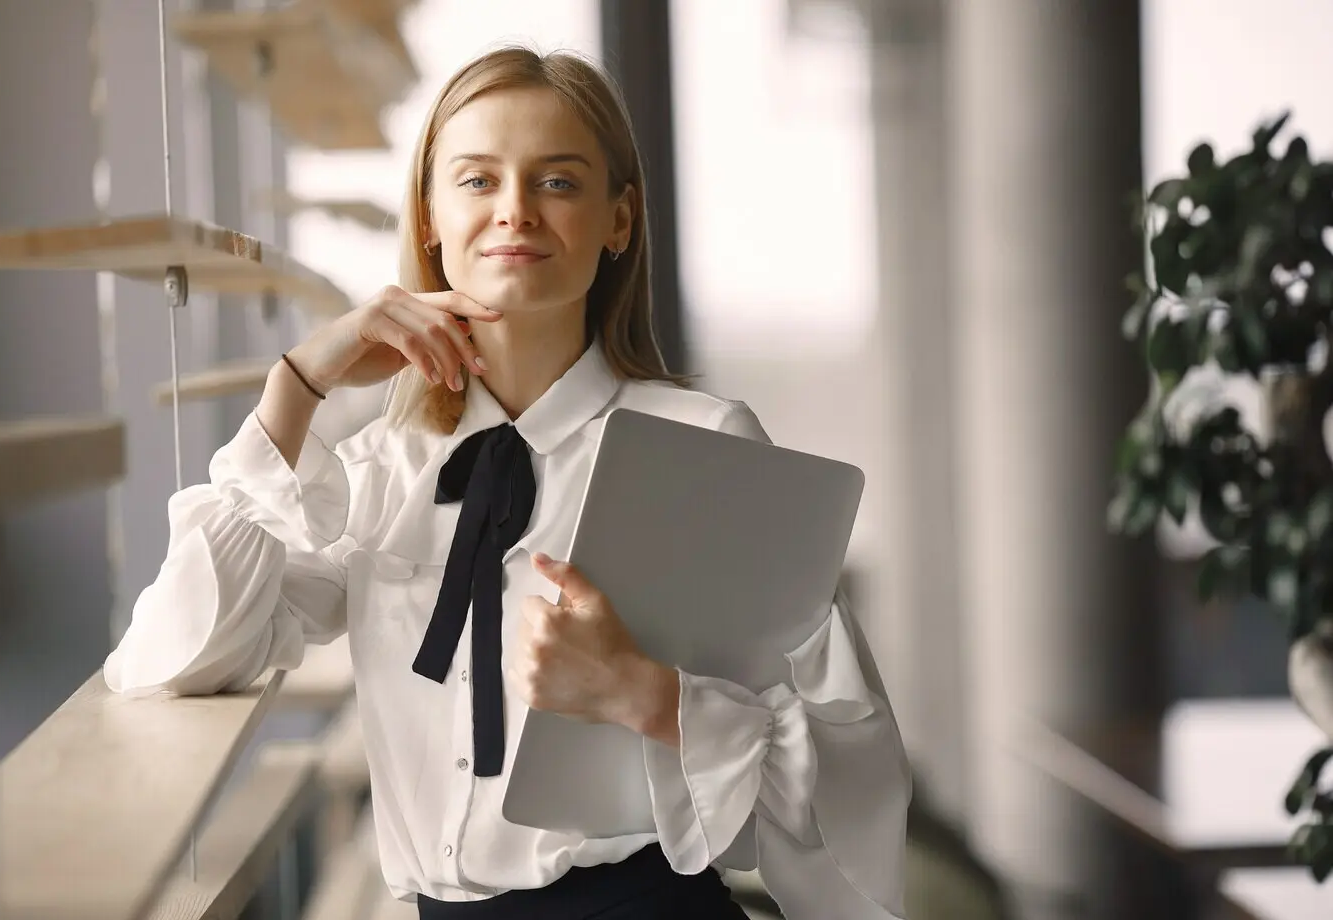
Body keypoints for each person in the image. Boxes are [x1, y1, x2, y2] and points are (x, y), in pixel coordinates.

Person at [105, 46, 910, 920]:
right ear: (430, 220)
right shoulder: (378, 472)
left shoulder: (709, 448)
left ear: (619, 221)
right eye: (478, 181)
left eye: (558, 182)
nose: (515, 212)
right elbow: (170, 661)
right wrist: (296, 388)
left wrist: (643, 694)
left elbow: (850, 777)